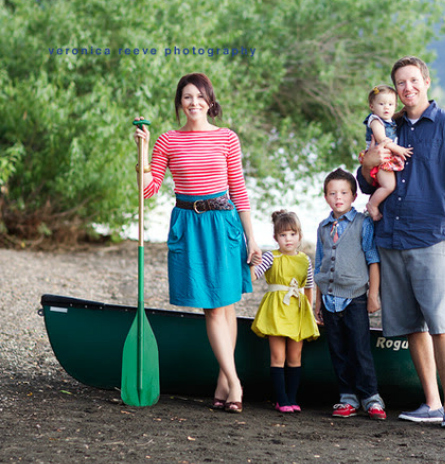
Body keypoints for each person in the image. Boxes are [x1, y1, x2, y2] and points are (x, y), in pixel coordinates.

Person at [357, 56, 445, 429]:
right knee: (411, 326)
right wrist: (368, 160)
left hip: (432, 237)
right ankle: (431, 403)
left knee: (438, 321)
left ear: (427, 82)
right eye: (400, 83)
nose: (407, 88)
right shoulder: (388, 126)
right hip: (391, 237)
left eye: (413, 81)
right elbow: (368, 182)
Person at [133, 72, 262, 414]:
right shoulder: (167, 140)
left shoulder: (227, 138)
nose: (193, 103)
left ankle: (227, 380)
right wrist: (142, 150)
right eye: (187, 97)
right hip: (189, 224)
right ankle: (232, 381)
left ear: (210, 101)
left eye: (199, 97)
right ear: (179, 103)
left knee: (226, 303)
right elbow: (148, 189)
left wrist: (253, 238)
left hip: (224, 223)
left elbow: (239, 190)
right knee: (214, 306)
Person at [314, 168, 387, 421]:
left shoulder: (363, 223)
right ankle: (347, 398)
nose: (338, 198)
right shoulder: (323, 227)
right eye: (333, 193)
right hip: (329, 299)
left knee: (360, 349)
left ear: (354, 196)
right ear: (325, 197)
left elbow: (373, 260)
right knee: (338, 350)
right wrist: (317, 302)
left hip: (355, 297)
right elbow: (319, 266)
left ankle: (371, 398)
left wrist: (373, 295)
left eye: (344, 193)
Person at [250, 210, 320, 413]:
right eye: (282, 235)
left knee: (295, 357)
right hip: (276, 309)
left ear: (299, 235)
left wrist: (310, 312)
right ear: (276, 238)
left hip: (297, 311)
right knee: (277, 356)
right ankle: (281, 400)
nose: (288, 239)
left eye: (292, 234)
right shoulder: (271, 257)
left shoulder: (305, 260)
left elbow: (308, 286)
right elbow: (254, 275)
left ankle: (292, 398)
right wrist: (252, 261)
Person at [362, 85, 413, 222]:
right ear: (372, 106)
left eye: (390, 104)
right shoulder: (375, 121)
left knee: (390, 184)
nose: (386, 107)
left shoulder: (387, 120)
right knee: (389, 185)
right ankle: (373, 205)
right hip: (380, 159)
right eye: (381, 104)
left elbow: (391, 121)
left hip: (385, 158)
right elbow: (382, 140)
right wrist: (400, 150)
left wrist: (401, 113)